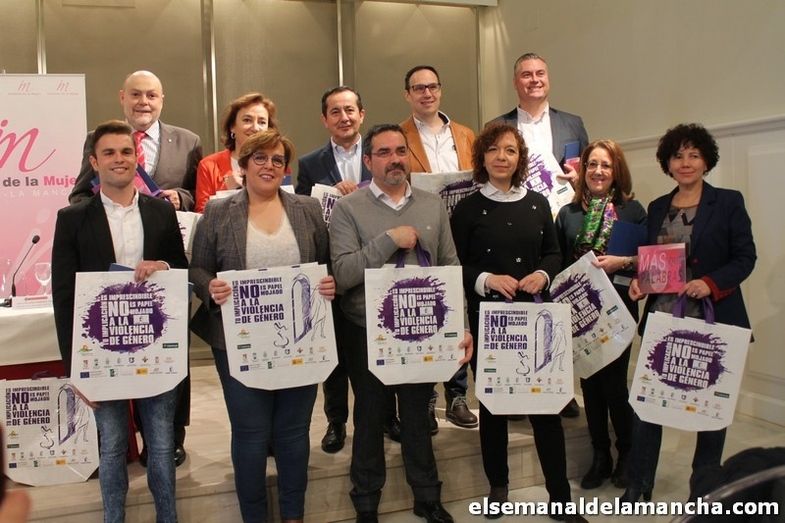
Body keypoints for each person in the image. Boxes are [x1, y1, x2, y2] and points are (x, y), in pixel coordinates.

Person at [189, 129, 335, 523]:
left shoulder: (307, 209)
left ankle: (293, 515)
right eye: (260, 158)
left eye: (277, 160)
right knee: (251, 433)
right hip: (237, 342)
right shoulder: (219, 212)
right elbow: (197, 268)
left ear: (285, 169)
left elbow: (325, 264)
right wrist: (210, 287)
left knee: (293, 431)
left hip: (301, 339)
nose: (269, 166)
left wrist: (329, 282)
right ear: (244, 164)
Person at [329, 124, 473, 523]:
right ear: (368, 161)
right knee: (370, 417)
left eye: (400, 151)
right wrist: (389, 239)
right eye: (384, 152)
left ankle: (427, 497)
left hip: (423, 329)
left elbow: (450, 266)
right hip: (366, 332)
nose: (395, 159)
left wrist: (462, 325)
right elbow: (343, 274)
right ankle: (366, 503)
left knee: (417, 417)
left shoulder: (432, 205)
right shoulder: (348, 209)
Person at [52, 120, 188, 523]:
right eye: (109, 153)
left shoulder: (161, 212)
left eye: (126, 152)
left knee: (161, 445)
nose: (119, 159)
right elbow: (64, 298)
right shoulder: (72, 219)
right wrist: (75, 369)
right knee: (111, 446)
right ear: (94, 162)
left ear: (136, 157)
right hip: (101, 354)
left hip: (156, 349)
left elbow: (181, 270)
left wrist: (162, 266)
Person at [450, 123, 587, 523]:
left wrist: (542, 274)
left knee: (546, 408)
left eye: (510, 150)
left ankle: (560, 498)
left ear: (519, 157)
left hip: (535, 318)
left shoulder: (538, 203)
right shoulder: (467, 209)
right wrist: (486, 279)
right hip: (489, 320)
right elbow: (455, 263)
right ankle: (498, 488)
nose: (501, 157)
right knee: (494, 409)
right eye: (493, 149)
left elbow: (553, 253)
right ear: (482, 157)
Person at [69, 70, 201, 465]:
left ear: (162, 99)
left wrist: (177, 198)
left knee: (170, 352)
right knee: (119, 355)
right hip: (112, 275)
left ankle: (171, 437)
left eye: (152, 95)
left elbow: (198, 196)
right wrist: (110, 206)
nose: (144, 102)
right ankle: (127, 438)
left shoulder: (188, 141)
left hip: (162, 271)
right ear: (122, 98)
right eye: (136, 95)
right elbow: (78, 195)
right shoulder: (101, 141)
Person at [624, 123, 756, 503]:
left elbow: (745, 258)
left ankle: (705, 488)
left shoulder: (728, 202)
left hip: (714, 318)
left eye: (694, 155)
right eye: (678, 155)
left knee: (710, 408)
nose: (685, 162)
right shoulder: (657, 208)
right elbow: (655, 263)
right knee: (648, 402)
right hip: (665, 319)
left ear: (706, 161)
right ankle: (639, 483)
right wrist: (641, 283)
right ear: (667, 163)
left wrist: (710, 283)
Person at [491, 52, 589, 419]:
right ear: (515, 82)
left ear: (548, 78)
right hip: (516, 224)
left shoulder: (573, 123)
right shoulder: (498, 125)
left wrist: (579, 179)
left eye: (540, 73)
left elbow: (587, 174)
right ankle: (517, 385)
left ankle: (560, 386)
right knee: (518, 304)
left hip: (559, 225)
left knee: (558, 303)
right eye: (526, 74)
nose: (534, 80)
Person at [555, 140, 647, 490]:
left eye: (605, 165)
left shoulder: (632, 211)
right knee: (590, 385)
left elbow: (651, 258)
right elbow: (559, 261)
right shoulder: (568, 214)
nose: (598, 171)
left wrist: (621, 262)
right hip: (579, 310)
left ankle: (627, 452)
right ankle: (600, 455)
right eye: (592, 164)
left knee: (614, 385)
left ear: (616, 170)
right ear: (583, 170)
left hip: (620, 306)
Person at [400, 65, 478, 432]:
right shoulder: (399, 136)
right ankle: (428, 396)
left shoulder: (465, 135)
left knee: (458, 311)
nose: (427, 93)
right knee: (428, 311)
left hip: (461, 233)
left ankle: (457, 395)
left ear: (441, 90)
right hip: (421, 235)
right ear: (408, 95)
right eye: (419, 88)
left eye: (432, 86)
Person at [295, 86, 371, 454]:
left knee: (376, 349)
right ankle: (336, 421)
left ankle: (385, 417)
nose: (344, 117)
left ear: (361, 115)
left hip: (373, 266)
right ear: (324, 119)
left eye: (350, 110)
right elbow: (303, 214)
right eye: (335, 112)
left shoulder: (379, 154)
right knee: (335, 353)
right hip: (330, 272)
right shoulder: (310, 163)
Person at [194, 92, 277, 213]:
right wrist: (226, 189)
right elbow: (202, 214)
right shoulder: (209, 165)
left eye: (262, 122)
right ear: (232, 126)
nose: (255, 128)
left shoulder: (277, 163)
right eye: (247, 120)